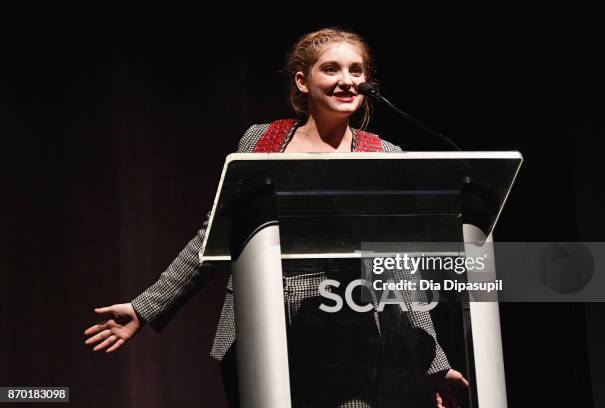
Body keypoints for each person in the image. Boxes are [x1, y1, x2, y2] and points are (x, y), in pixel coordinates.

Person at [84, 28, 468, 407]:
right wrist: (146, 306)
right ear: (302, 81)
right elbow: (215, 235)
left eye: (356, 71)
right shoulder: (261, 142)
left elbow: (396, 264)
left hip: (350, 329)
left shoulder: (384, 154)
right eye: (331, 69)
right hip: (261, 322)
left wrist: (434, 362)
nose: (347, 81)